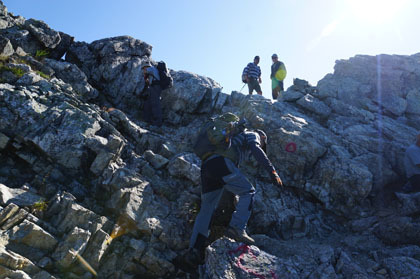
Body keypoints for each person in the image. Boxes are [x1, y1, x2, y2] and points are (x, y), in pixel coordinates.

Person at [187, 128, 283, 264]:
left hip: (207, 165)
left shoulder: (233, 138)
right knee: (248, 192)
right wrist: (272, 171)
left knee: (207, 208)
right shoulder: (253, 134)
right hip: (222, 164)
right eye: (263, 143)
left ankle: (194, 250)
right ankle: (237, 228)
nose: (262, 145)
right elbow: (256, 149)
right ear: (262, 138)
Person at [140, 61, 163, 127]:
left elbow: (145, 72)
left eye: (144, 67)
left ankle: (158, 122)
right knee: (148, 102)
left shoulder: (151, 69)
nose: (144, 69)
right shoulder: (152, 71)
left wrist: (145, 74)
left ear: (146, 66)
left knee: (155, 104)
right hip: (154, 87)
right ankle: (147, 119)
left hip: (155, 87)